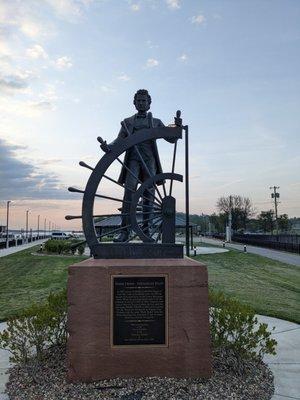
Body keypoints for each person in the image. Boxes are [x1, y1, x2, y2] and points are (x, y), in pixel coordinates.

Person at [101, 89, 178, 242]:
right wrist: (108, 147)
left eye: (144, 101)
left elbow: (171, 139)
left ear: (149, 103)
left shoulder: (155, 122)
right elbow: (119, 140)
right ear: (134, 103)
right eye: (139, 101)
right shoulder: (128, 122)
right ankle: (125, 231)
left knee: (149, 195)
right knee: (129, 193)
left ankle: (146, 231)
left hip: (150, 161)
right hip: (133, 161)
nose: (142, 103)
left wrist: (177, 127)